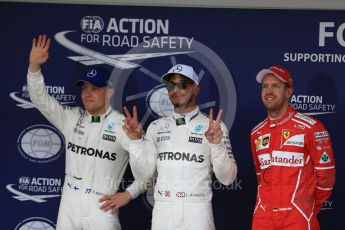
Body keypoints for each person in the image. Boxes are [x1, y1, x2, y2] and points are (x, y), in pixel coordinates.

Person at [27, 34, 145, 230]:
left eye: (95, 88)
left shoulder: (123, 125)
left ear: (110, 91)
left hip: (101, 205)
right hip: (69, 203)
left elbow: (148, 170)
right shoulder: (71, 117)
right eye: (84, 88)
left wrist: (128, 193)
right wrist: (34, 68)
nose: (87, 94)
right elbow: (40, 99)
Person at [122, 64, 238, 230]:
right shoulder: (155, 127)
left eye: (182, 84)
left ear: (196, 89)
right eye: (170, 85)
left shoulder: (213, 127)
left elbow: (228, 178)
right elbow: (143, 175)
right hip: (163, 210)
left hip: (197, 210)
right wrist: (135, 142)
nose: (175, 90)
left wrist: (217, 144)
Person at [250, 65, 336, 230]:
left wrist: (305, 206)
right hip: (263, 217)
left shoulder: (311, 127)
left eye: (275, 86)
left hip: (297, 216)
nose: (269, 91)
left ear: (288, 91)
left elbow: (326, 178)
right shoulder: (256, 132)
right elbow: (261, 176)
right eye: (265, 86)